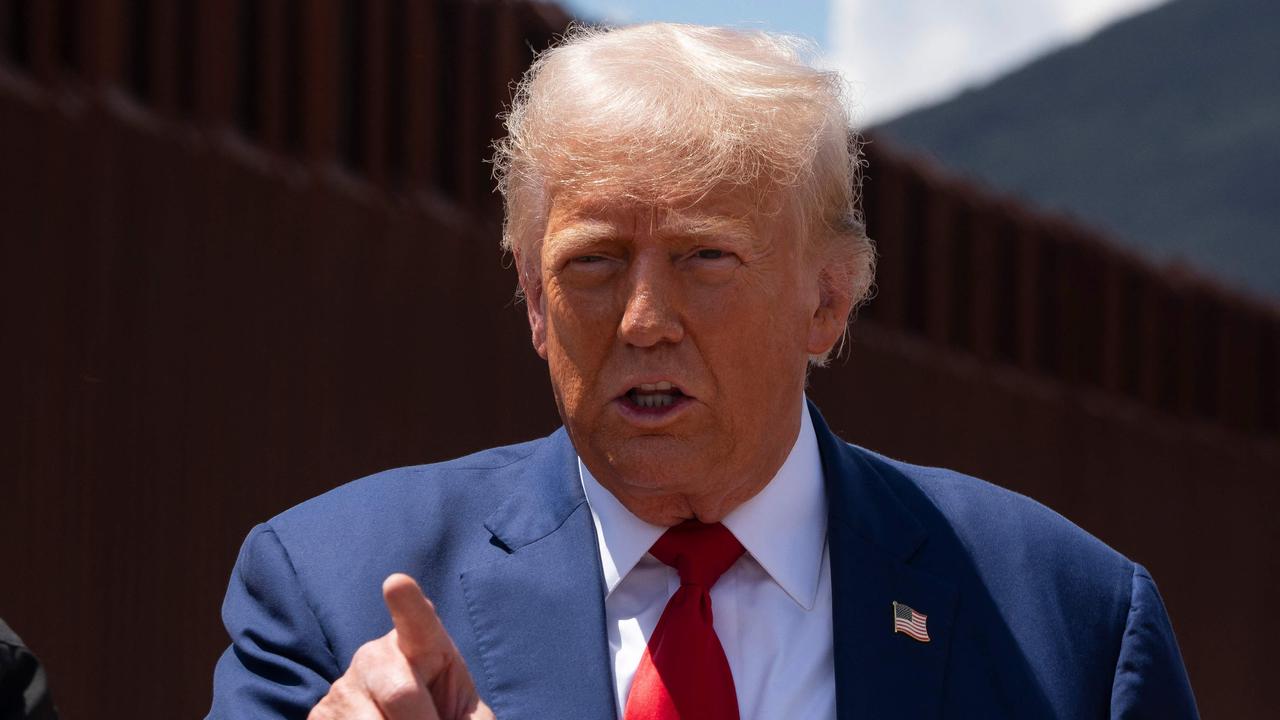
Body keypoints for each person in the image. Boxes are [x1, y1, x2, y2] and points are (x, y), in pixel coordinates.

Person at [207, 23, 1198, 720]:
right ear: (533, 300)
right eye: (591, 264)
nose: (644, 322)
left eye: (704, 259)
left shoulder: (1064, 622)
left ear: (827, 300)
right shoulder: (332, 596)